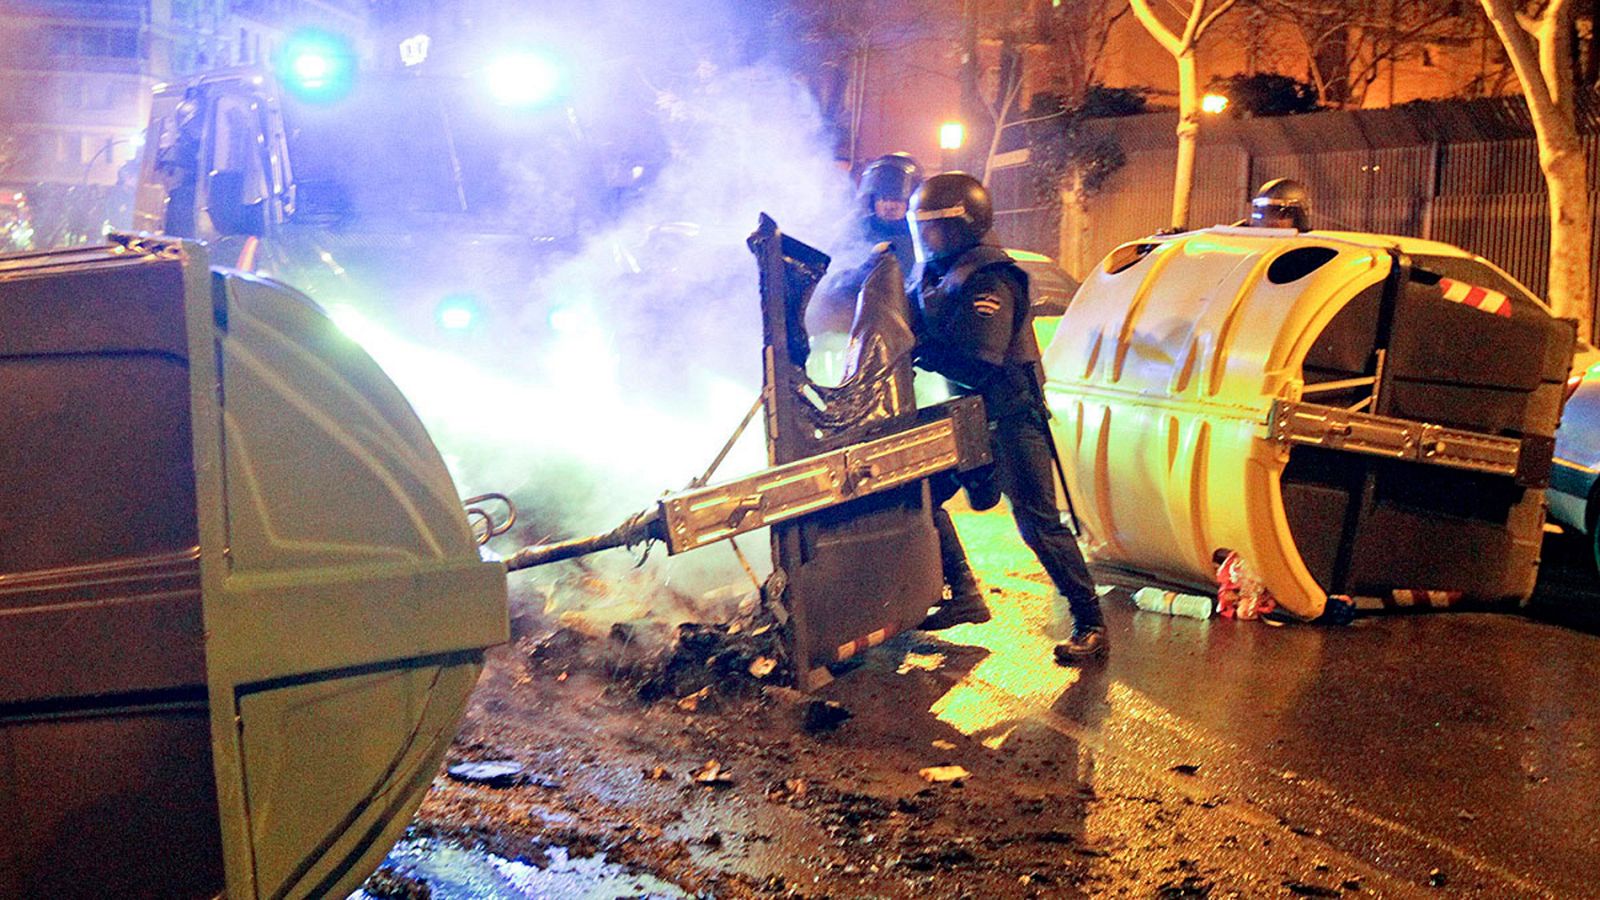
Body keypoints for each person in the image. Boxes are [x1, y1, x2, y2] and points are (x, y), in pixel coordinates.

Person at [906, 171, 1107, 663]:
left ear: (964, 225)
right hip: (969, 420)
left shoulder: (993, 276)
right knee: (922, 495)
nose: (927, 239)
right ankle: (965, 596)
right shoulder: (934, 275)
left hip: (1012, 419)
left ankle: (1091, 622)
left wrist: (921, 351)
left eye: (936, 228)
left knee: (1038, 524)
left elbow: (980, 361)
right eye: (922, 228)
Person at [1247, 177, 1312, 231]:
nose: (1270, 221)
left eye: (1282, 215)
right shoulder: (1247, 243)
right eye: (1264, 213)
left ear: (1298, 218)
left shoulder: (1310, 244)